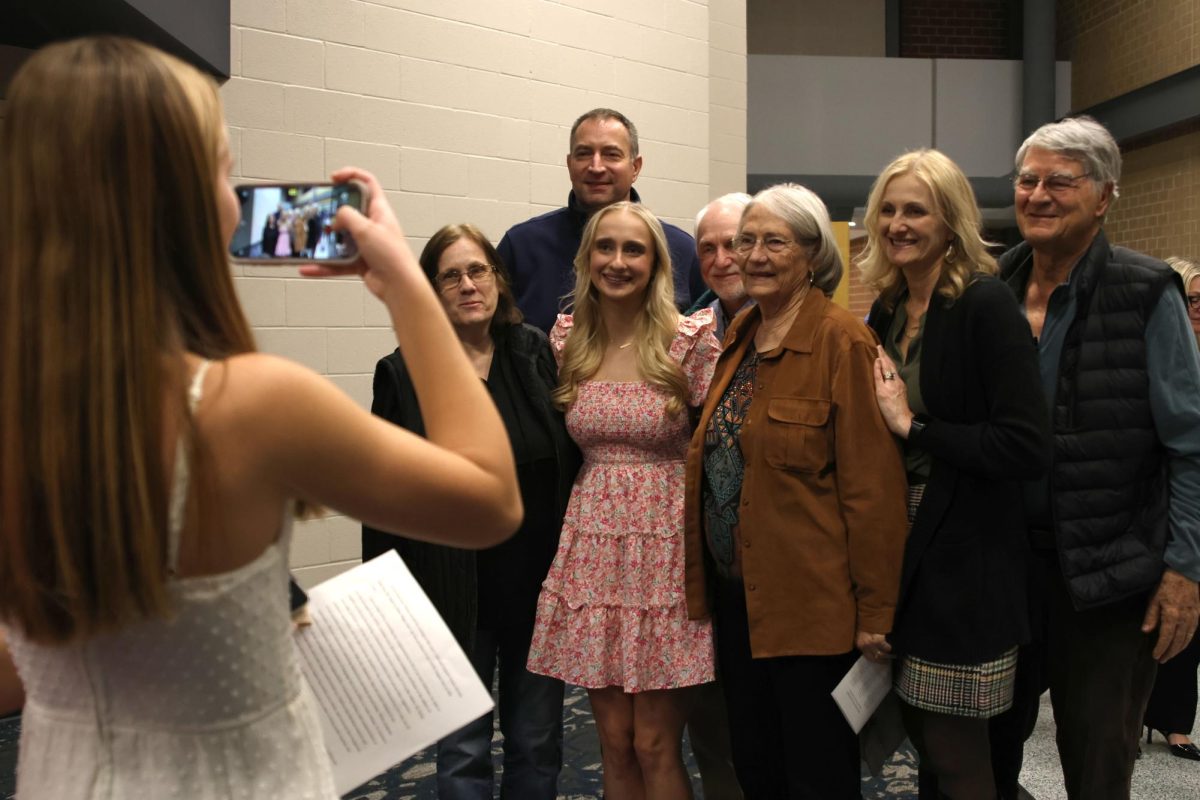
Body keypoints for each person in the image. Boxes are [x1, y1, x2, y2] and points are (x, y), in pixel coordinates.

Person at [0, 36, 521, 799]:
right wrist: (407, 286)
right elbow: (489, 498)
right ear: (177, 201)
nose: (236, 198)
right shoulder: (253, 403)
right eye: (225, 171)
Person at [990, 115, 1200, 800]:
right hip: (1001, 568)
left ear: (1105, 195)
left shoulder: (1146, 292)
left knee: (1098, 761)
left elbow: (1190, 443)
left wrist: (1184, 571)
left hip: (1111, 576)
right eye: (1028, 180)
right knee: (980, 756)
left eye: (1060, 182)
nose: (1039, 195)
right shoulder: (988, 289)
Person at [683, 183, 909, 799]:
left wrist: (875, 615)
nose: (750, 255)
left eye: (772, 242)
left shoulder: (842, 342)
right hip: (740, 605)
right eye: (744, 240)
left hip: (813, 611)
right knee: (757, 767)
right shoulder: (741, 335)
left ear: (812, 255)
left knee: (816, 777)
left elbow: (873, 493)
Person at [360, 223, 580, 798]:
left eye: (477, 270)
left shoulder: (532, 351)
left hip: (538, 587)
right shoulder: (403, 372)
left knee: (537, 740)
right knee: (463, 750)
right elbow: (382, 495)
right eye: (450, 275)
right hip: (454, 588)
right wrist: (386, 602)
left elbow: (566, 455)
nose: (467, 285)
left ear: (498, 280)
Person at [861, 150, 1051, 798]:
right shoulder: (888, 308)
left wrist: (914, 427)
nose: (896, 223)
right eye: (887, 209)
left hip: (969, 563)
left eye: (915, 209)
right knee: (919, 737)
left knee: (956, 753)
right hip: (904, 548)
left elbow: (1025, 445)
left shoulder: (984, 302)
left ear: (950, 220)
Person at [527, 201, 720, 799]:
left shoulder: (690, 341)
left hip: (666, 552)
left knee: (654, 744)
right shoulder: (566, 340)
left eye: (633, 249)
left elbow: (724, 447)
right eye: (604, 248)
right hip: (592, 551)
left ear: (657, 263)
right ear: (586, 259)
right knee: (614, 743)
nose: (617, 261)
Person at [497, 108, 704, 332]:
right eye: (584, 153)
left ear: (635, 167)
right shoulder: (521, 247)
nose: (596, 167)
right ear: (569, 164)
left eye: (611, 154)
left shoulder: (682, 251)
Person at [682, 192, 753, 800]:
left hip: (790, 573)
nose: (723, 258)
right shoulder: (686, 338)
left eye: (736, 242)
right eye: (709, 247)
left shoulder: (822, 330)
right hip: (711, 561)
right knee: (714, 727)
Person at [1142, 256, 1200, 762]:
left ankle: (1176, 722)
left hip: (1191, 503)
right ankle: (1132, 714)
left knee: (1187, 619)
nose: (1197, 311)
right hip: (1152, 505)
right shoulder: (1155, 346)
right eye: (1192, 300)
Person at [687, 193, 755, 343]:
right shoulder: (690, 334)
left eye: (732, 244)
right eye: (708, 248)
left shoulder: (790, 324)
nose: (721, 262)